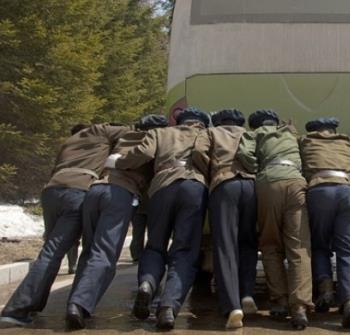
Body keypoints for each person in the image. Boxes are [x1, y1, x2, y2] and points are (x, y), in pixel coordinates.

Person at [0, 123, 129, 327]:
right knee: (64, 251)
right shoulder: (99, 131)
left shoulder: (68, 143)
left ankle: (30, 307)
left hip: (51, 191)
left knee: (50, 250)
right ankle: (19, 308)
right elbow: (130, 131)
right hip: (77, 191)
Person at [111, 107, 211, 330]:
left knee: (155, 245)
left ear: (178, 121)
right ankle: (168, 307)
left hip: (162, 186)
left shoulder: (161, 133)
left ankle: (147, 284)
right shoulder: (205, 135)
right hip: (193, 186)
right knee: (184, 249)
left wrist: (118, 163)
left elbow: (143, 154)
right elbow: (206, 157)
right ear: (202, 123)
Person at [65, 114, 168, 329]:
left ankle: (76, 301)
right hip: (119, 193)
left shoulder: (123, 137)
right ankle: (79, 304)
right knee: (105, 253)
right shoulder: (154, 140)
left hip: (95, 190)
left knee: (90, 250)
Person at [237, 109, 312, 330]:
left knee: (270, 245)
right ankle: (299, 307)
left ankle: (279, 301)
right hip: (296, 182)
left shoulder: (254, 134)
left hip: (269, 183)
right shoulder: (290, 133)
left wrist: (257, 168)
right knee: (298, 246)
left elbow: (244, 154)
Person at [192, 109, 258, 329]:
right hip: (251, 185)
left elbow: (198, 153)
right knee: (248, 242)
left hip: (224, 184)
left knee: (225, 246)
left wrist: (211, 172)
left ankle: (232, 305)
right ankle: (247, 294)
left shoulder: (211, 133)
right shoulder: (248, 134)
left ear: (218, 121)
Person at [298, 117, 350, 328]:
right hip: (347, 191)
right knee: (349, 250)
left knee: (319, 245)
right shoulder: (346, 141)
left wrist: (289, 129)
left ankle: (325, 288)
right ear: (334, 130)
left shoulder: (305, 141)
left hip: (319, 191)